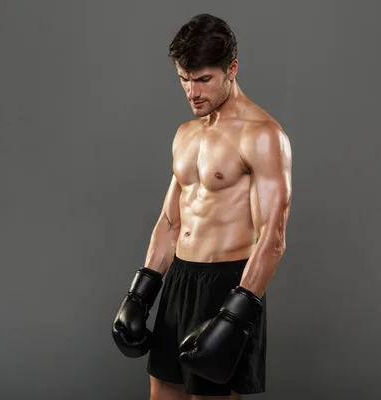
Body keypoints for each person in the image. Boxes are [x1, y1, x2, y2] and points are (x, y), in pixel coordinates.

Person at [112, 13, 292, 400]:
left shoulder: (262, 136)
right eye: (184, 79)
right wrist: (141, 292)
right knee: (162, 393)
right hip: (179, 280)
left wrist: (234, 316)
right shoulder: (186, 134)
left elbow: (272, 239)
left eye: (204, 80)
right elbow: (170, 222)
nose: (192, 92)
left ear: (232, 69)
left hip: (228, 287)